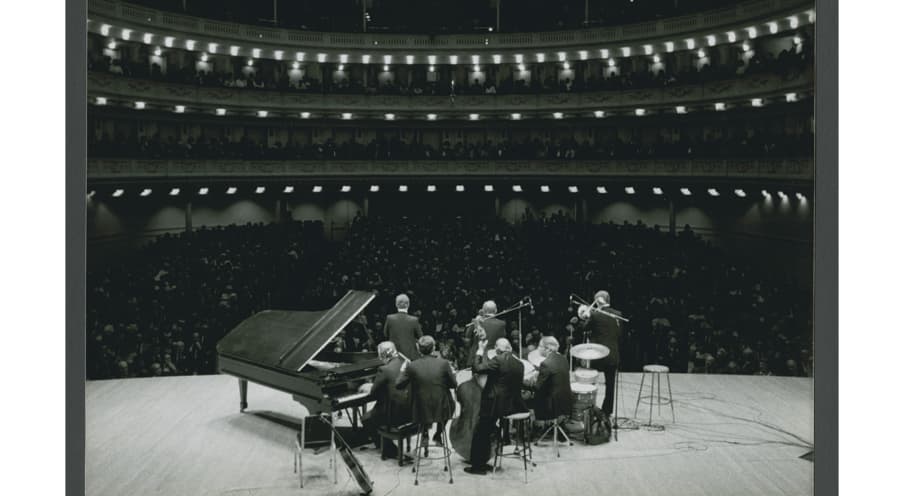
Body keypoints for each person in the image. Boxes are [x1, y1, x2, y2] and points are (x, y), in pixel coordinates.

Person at [465, 338, 527, 475]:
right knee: (487, 431)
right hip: (511, 406)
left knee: (481, 432)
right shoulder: (520, 364)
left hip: (494, 404)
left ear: (498, 350)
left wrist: (480, 351)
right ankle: (483, 461)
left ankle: (477, 467)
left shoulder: (498, 359)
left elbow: (476, 368)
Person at [395, 336, 457, 449]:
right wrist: (450, 375)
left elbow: (399, 384)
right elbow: (454, 384)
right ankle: (438, 434)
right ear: (434, 348)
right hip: (442, 407)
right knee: (450, 405)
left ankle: (424, 433)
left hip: (420, 409)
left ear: (418, 349)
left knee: (422, 402)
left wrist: (403, 369)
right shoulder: (444, 364)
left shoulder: (412, 366)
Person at [361, 341, 412, 461]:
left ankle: (389, 449)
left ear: (383, 355)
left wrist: (369, 386)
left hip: (395, 415)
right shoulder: (405, 363)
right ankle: (386, 443)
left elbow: (374, 394)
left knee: (366, 419)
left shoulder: (384, 369)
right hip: (410, 410)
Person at [581, 290, 624, 416]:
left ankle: (588, 408)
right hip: (612, 355)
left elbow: (584, 328)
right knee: (610, 385)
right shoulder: (618, 315)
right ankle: (607, 411)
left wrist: (586, 315)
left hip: (597, 356)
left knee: (589, 382)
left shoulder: (595, 315)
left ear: (598, 301)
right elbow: (620, 335)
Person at [530, 336, 573, 423]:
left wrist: (524, 382)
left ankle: (537, 426)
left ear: (547, 349)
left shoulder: (545, 363)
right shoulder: (563, 359)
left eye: (540, 346)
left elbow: (537, 387)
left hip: (553, 405)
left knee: (529, 398)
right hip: (566, 401)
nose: (538, 348)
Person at [384, 294, 423, 361]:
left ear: (396, 304)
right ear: (408, 305)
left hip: (395, 356)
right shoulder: (414, 320)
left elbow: (385, 334)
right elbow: (421, 337)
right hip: (411, 357)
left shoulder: (389, 318)